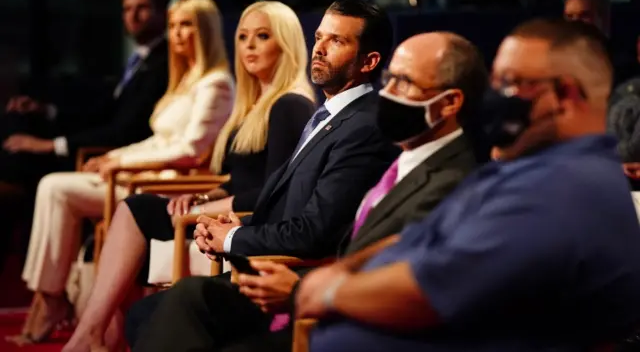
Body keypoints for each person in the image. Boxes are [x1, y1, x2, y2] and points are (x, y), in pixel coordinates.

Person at [297, 19, 640, 352]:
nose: (497, 97)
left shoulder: (563, 190)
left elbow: (428, 294)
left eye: (511, 82)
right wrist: (343, 270)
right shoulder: (530, 168)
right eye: (496, 82)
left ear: (564, 94)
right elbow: (415, 238)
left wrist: (331, 291)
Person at [134, 31, 488, 352]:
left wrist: (298, 291)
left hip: (350, 323)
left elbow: (408, 281)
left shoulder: (454, 180)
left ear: (449, 102)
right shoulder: (406, 157)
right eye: (389, 80)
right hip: (312, 285)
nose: (388, 93)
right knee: (189, 296)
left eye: (404, 83)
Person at [128, 0, 400, 351]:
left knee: (183, 298)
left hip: (293, 280)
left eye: (337, 41)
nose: (319, 49)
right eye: (319, 37)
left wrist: (231, 240)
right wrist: (235, 227)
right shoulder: (327, 118)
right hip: (267, 262)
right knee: (142, 314)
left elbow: (317, 231)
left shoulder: (363, 126)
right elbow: (287, 204)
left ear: (370, 61)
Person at [60, 0, 317, 352]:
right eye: (242, 37)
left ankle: (92, 335)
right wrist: (204, 197)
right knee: (135, 209)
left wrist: (208, 206)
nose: (249, 46)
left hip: (246, 225)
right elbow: (239, 177)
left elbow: (274, 193)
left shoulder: (290, 105)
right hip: (223, 210)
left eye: (262, 36)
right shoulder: (252, 105)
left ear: (286, 43)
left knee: (137, 209)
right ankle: (96, 333)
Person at [10, 0, 234, 347]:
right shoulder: (184, 81)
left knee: (56, 187)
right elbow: (157, 141)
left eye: (186, 25)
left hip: (166, 183)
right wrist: (114, 156)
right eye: (174, 25)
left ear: (205, 30)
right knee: (53, 186)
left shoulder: (216, 83)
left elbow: (190, 150)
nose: (177, 33)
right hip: (140, 174)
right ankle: (51, 295)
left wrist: (121, 163)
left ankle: (51, 296)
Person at [1, 0, 171, 188]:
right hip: (100, 149)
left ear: (164, 13)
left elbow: (126, 129)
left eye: (142, 8)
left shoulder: (166, 63)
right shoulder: (138, 59)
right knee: (19, 121)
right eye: (127, 9)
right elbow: (104, 111)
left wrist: (51, 145)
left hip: (120, 157)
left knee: (21, 161)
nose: (133, 16)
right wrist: (47, 110)